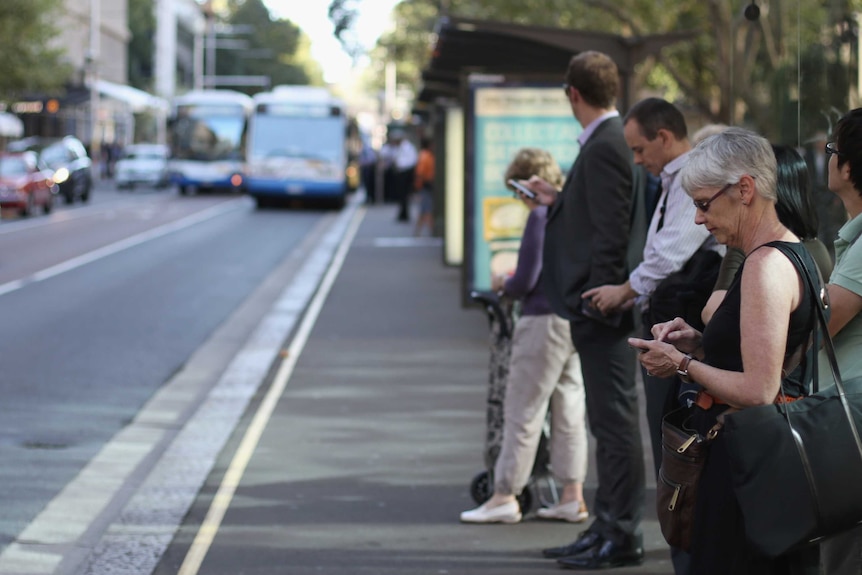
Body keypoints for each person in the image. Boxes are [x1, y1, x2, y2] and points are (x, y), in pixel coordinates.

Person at [629, 128, 821, 575]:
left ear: (745, 190)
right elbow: (767, 352)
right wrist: (699, 341)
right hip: (759, 459)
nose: (698, 220)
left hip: (745, 466)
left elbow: (758, 387)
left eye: (703, 204)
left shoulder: (764, 265)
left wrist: (682, 364)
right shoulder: (787, 253)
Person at [581, 97, 722, 575]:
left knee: (679, 449)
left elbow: (672, 252)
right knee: (669, 445)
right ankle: (680, 541)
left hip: (680, 323)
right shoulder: (671, 180)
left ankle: (685, 545)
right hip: (671, 321)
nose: (637, 160)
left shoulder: (688, 179)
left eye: (641, 149)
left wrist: (625, 289)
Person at [523, 50, 646, 570]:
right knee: (605, 422)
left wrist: (599, 296)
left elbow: (612, 232)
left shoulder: (603, 146)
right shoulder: (606, 143)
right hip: (599, 304)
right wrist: (559, 200)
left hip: (601, 309)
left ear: (573, 93)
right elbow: (601, 215)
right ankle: (606, 526)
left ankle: (619, 533)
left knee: (613, 424)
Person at [459, 148, 589, 526]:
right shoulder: (569, 215)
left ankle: (504, 495)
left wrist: (504, 281)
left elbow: (525, 281)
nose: (517, 198)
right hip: (570, 321)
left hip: (540, 321)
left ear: (528, 184)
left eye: (517, 189)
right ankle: (572, 495)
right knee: (569, 412)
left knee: (522, 411)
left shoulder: (539, 217)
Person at [701, 144, 833, 325]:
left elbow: (714, 315)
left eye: (742, 189)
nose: (698, 218)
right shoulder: (817, 249)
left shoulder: (749, 251)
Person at [817, 108, 862, 575]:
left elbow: (821, 322)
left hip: (855, 420)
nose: (826, 159)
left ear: (848, 168)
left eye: (832, 151)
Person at [388, 130, 417, 222]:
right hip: (401, 173)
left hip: (405, 173)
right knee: (401, 195)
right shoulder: (399, 147)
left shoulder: (408, 147)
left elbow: (411, 160)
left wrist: (401, 166)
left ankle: (404, 214)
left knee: (404, 195)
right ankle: (402, 214)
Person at [413, 137, 435, 237]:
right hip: (426, 185)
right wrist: (419, 186)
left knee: (424, 209)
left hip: (425, 185)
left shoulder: (425, 155)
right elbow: (420, 173)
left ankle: (418, 232)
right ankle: (431, 231)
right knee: (427, 209)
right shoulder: (426, 156)